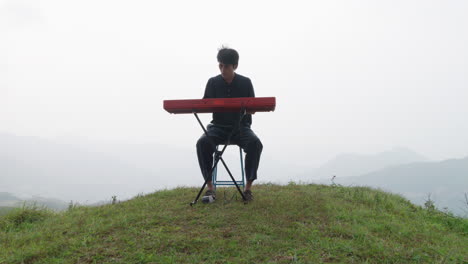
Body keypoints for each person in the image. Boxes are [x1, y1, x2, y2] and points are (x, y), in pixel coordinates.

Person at [196, 47, 263, 202]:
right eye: (220, 65)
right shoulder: (212, 82)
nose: (222, 69)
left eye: (226, 66)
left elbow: (252, 110)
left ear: (235, 66)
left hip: (241, 127)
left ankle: (248, 189)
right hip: (218, 127)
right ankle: (210, 189)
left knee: (255, 144)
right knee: (202, 143)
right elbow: (205, 105)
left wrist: (242, 107)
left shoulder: (246, 82)